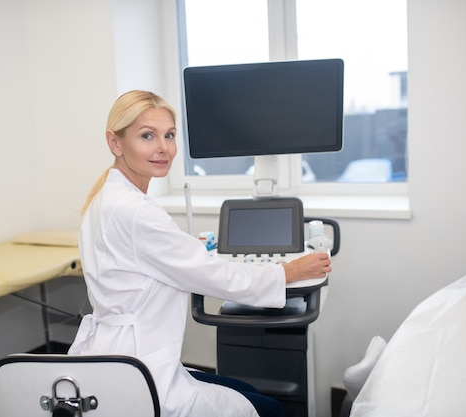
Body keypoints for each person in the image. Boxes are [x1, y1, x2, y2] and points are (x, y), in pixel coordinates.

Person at [68, 90, 332, 417]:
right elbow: (211, 274)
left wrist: (186, 249)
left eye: (169, 135)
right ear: (115, 142)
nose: (163, 148)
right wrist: (286, 273)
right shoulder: (134, 211)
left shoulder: (106, 198)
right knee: (269, 409)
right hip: (140, 370)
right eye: (147, 136)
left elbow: (144, 261)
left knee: (246, 391)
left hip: (121, 356)